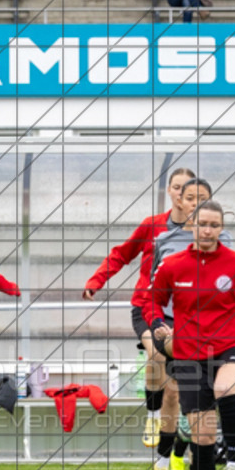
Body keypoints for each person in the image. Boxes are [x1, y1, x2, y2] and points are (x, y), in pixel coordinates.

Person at [151, 199, 235, 470]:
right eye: (203, 224)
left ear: (221, 228)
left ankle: (234, 462)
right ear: (192, 224)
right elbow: (153, 300)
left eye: (215, 225)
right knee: (201, 435)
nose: (208, 230)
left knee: (226, 389)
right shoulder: (172, 264)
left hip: (233, 345)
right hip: (189, 352)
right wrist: (158, 323)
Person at [84, 167, 194, 451]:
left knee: (175, 381)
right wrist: (96, 281)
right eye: (176, 187)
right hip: (147, 306)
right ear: (169, 191)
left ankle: (176, 438)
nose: (181, 193)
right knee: (155, 353)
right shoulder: (152, 225)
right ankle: (152, 417)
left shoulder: (200, 231)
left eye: (187, 188)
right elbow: (122, 253)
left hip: (182, 312)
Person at [145, 178, 232, 470]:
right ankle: (165, 461)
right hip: (174, 327)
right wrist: (157, 323)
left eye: (203, 198)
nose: (196, 203)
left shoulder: (228, 241)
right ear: (180, 201)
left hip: (210, 331)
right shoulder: (166, 241)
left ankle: (193, 469)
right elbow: (153, 293)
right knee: (173, 394)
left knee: (204, 403)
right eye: (191, 197)